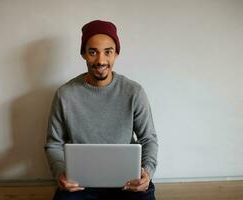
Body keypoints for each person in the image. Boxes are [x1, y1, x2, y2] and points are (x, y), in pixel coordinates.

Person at [44, 20, 158, 200]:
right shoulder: (64, 95)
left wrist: (148, 173)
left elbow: (148, 139)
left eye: (108, 52)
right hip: (80, 183)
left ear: (116, 54)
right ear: (83, 54)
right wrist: (60, 173)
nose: (101, 60)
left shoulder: (134, 92)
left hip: (127, 182)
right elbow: (53, 143)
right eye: (93, 52)